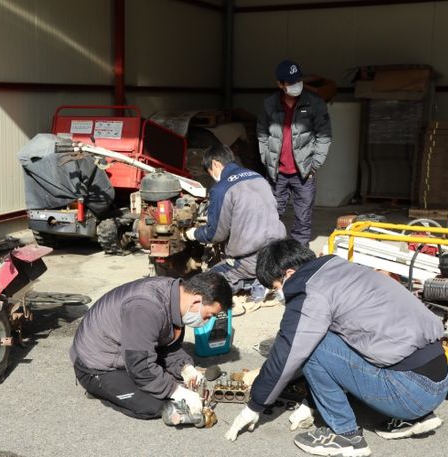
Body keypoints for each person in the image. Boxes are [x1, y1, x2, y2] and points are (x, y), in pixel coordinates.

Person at [225, 239, 448, 457]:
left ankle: (345, 435)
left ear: (290, 274)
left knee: (311, 346)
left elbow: (288, 352)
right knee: (324, 337)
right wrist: (312, 402)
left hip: (409, 392)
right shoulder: (342, 269)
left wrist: (255, 405)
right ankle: (416, 417)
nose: (279, 294)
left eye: (276, 287)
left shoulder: (309, 290)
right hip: (438, 382)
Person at [70, 271, 232, 423]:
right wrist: (176, 392)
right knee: (155, 404)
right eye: (208, 315)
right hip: (96, 366)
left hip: (128, 353)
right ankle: (99, 390)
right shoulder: (146, 307)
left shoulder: (177, 296)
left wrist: (185, 368)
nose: (206, 321)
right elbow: (140, 366)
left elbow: (167, 345)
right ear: (196, 300)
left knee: (176, 382)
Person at [184, 143, 285, 301]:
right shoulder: (258, 177)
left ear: (215, 164)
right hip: (278, 252)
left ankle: (258, 281)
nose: (211, 176)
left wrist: (193, 234)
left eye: (209, 171)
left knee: (201, 286)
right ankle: (268, 276)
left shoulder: (221, 189)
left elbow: (215, 235)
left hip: (250, 260)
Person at [257, 59, 332, 245]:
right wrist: (267, 159)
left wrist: (314, 164)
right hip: (277, 173)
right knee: (271, 216)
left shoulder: (314, 103)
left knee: (303, 219)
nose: (296, 85)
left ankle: (300, 254)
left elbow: (324, 136)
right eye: (290, 82)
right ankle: (273, 253)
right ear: (280, 84)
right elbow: (262, 133)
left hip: (304, 173)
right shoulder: (269, 104)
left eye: (298, 80)